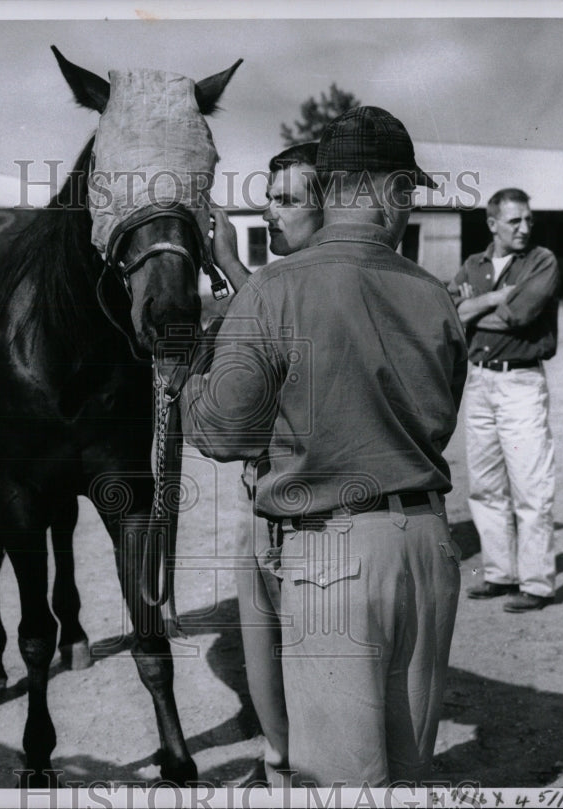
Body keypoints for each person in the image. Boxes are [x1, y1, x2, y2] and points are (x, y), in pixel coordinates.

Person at [183, 107, 467, 787]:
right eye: (407, 190)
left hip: (330, 556)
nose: (408, 207)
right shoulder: (434, 296)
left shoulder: (276, 289)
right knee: (405, 772)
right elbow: (439, 414)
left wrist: (185, 382)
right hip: (428, 547)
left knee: (338, 784)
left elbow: (226, 430)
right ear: (380, 188)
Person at [209, 141, 322, 788]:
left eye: (286, 200)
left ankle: (307, 770)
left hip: (308, 506)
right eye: (267, 199)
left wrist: (228, 260)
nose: (270, 212)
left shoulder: (328, 278)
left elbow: (282, 333)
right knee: (263, 656)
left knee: (306, 654)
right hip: (261, 494)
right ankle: (280, 764)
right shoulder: (279, 280)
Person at [448, 188, 559, 612]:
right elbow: (451, 313)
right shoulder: (473, 265)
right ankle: (499, 573)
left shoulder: (541, 261)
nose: (525, 228)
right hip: (480, 382)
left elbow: (521, 315)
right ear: (492, 224)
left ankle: (536, 583)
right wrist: (493, 297)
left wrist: (471, 309)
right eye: (515, 221)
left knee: (531, 486)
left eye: (529, 220)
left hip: (521, 383)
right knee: (485, 484)